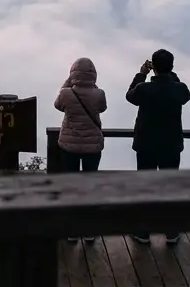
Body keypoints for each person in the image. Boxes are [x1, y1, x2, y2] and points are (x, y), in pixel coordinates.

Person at [126, 48, 190, 245]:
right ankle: (171, 232)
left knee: (145, 188)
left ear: (153, 66)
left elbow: (130, 96)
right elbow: (184, 93)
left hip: (146, 144)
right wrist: (171, 75)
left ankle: (143, 232)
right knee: (170, 187)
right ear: (172, 67)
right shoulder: (179, 89)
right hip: (171, 145)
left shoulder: (144, 89)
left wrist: (141, 74)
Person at [54, 57, 107, 244]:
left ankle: (72, 230)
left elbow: (57, 105)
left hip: (69, 146)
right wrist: (92, 85)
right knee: (90, 185)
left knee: (71, 186)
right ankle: (89, 230)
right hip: (93, 146)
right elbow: (102, 108)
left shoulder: (66, 93)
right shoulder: (99, 93)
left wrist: (69, 82)